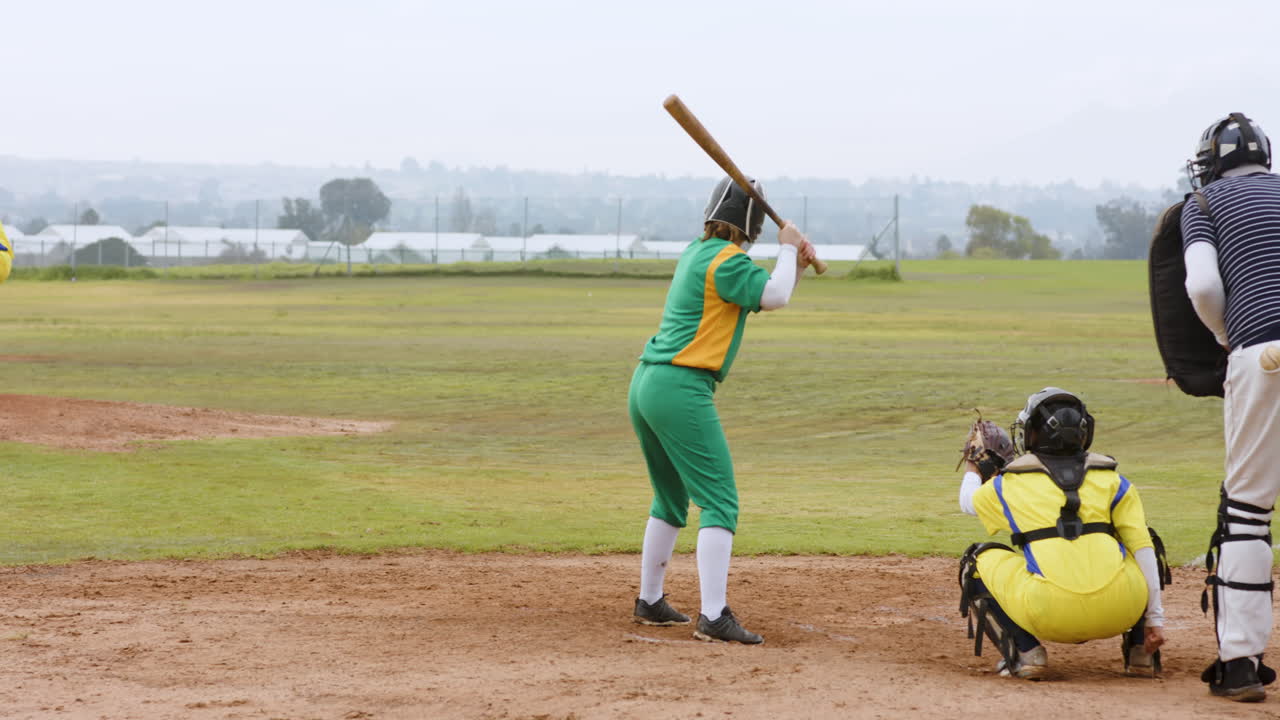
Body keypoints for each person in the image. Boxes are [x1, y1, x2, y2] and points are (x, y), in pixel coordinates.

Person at [629, 175, 815, 644]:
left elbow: (763, 287)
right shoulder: (727, 262)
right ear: (751, 226)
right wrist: (788, 247)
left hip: (647, 383)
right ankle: (714, 616)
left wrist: (793, 261)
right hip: (681, 387)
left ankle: (650, 601)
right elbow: (775, 296)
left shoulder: (699, 252)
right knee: (720, 501)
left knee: (670, 499)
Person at [956, 388, 1167, 680]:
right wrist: (1155, 620)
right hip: (1122, 609)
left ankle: (1027, 652)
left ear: (1031, 434)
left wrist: (973, 465)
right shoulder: (1114, 481)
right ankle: (1141, 651)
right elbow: (1142, 550)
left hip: (1049, 613)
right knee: (1145, 543)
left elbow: (968, 501)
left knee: (974, 562)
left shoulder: (1012, 483)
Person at [1182, 112, 1280, 702]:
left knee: (1247, 508)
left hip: (1261, 353)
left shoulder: (1204, 202)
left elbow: (1201, 288)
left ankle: (1241, 664)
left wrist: (1226, 334)